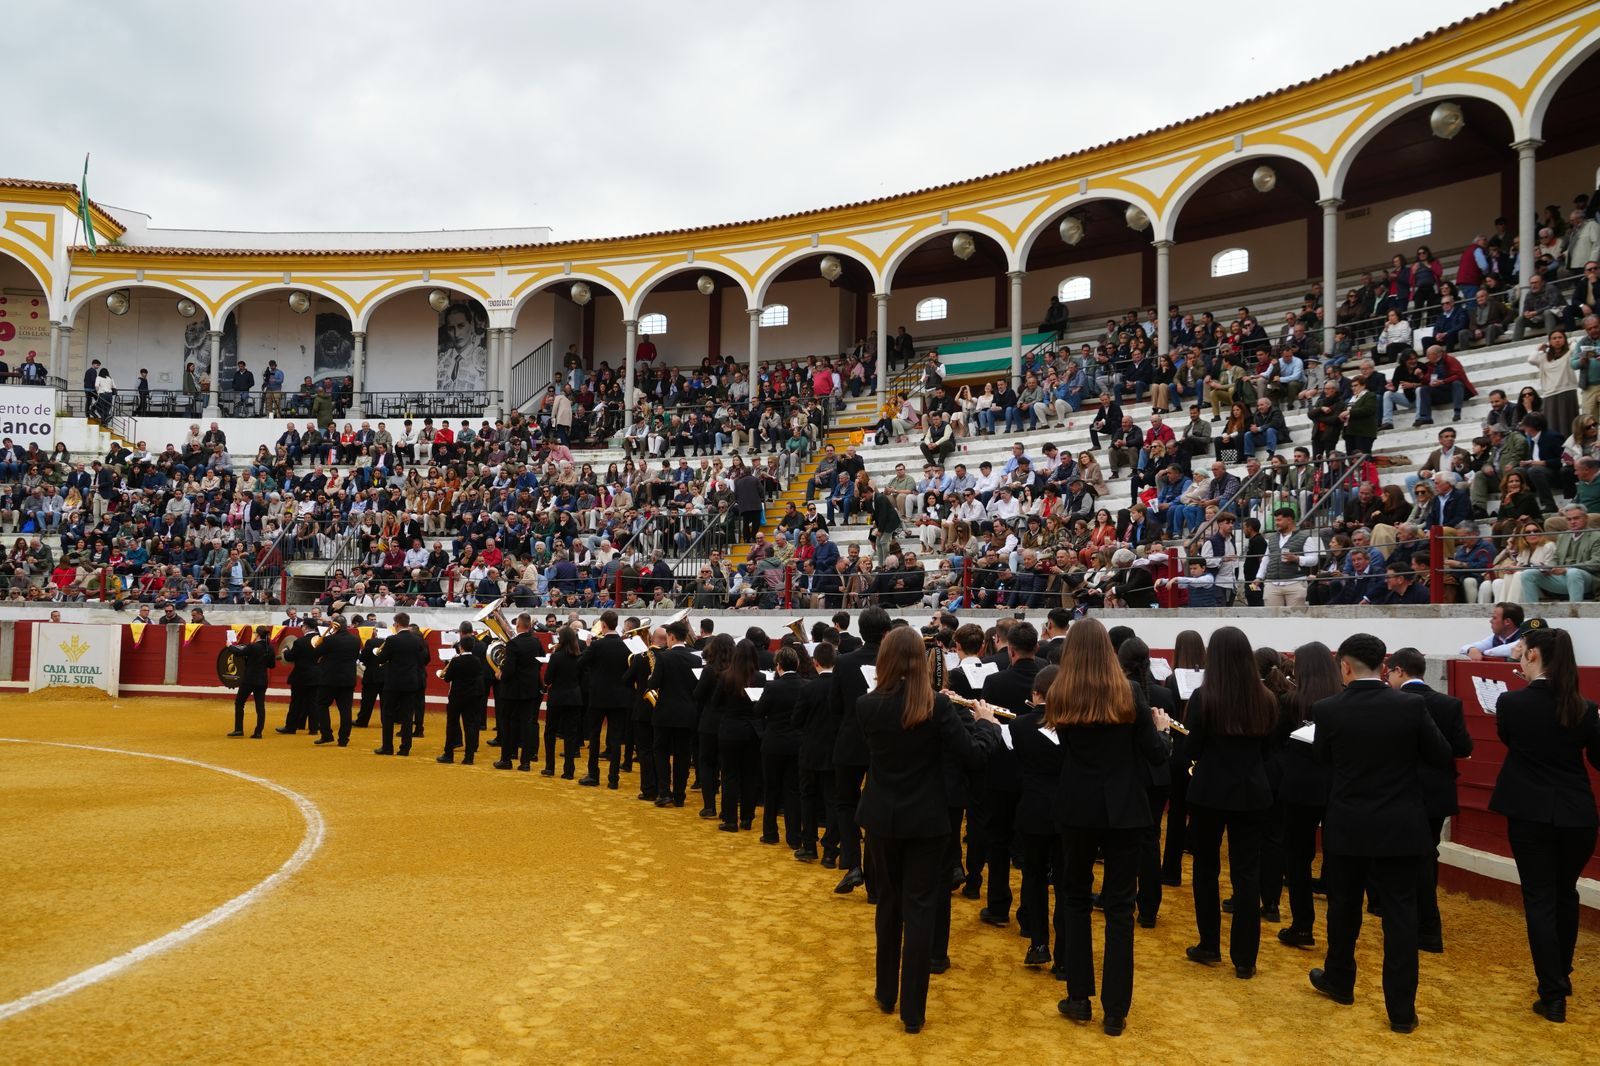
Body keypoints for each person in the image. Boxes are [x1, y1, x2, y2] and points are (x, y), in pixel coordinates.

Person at [855, 626, 1001, 1035]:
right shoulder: (936, 706)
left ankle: (886, 992)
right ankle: (912, 1011)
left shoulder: (867, 704)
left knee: (888, 904)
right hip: (926, 820)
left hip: (882, 817)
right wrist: (986, 724)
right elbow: (973, 757)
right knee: (919, 910)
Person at [1309, 633, 1452, 1034]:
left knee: (1343, 907)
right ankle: (1401, 1011)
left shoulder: (1327, 709)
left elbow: (1321, 759)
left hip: (1348, 824)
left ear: (1345, 667)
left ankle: (1340, 981)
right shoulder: (1411, 705)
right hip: (1399, 825)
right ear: (1384, 666)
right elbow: (1441, 755)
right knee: (1401, 915)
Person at [1050, 619, 1171, 1037]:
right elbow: (1156, 755)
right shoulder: (1131, 692)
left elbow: (1066, 750)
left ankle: (1079, 997)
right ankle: (1115, 1011)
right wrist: (1162, 733)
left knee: (1075, 898)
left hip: (1077, 806)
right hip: (1125, 809)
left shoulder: (1061, 693)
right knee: (1120, 907)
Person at [1491, 625, 1600, 1024]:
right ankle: (1560, 976)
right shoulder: (1584, 707)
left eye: (1522, 651)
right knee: (1564, 894)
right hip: (1577, 814)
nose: (1519, 657)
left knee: (1539, 899)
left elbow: (1511, 741)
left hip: (1530, 813)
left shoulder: (1511, 702)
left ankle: (1553, 992)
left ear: (1534, 655)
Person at [1183, 626, 1277, 979]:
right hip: (1252, 791)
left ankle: (1209, 944)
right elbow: (1267, 751)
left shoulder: (1204, 697)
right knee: (1247, 872)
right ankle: (1245, 958)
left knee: (1206, 868)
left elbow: (1191, 748)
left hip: (1209, 790)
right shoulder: (1266, 698)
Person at [1386, 646, 1474, 954]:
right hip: (1436, 792)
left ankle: (1419, 925)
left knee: (1402, 858)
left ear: (1399, 671)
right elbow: (1463, 748)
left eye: (1389, 672)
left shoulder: (1392, 703)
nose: (1388, 679)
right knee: (1427, 854)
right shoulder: (1449, 704)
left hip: (1400, 791)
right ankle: (1426, 926)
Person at [1275, 642, 1338, 948]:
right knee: (1337, 858)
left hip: (1299, 788)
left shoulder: (1289, 701)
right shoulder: (1342, 701)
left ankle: (1302, 926)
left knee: (1298, 858)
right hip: (1337, 787)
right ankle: (1338, 929)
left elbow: (1275, 745)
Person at [831, 606, 891, 896]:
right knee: (879, 806)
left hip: (850, 739)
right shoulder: (894, 661)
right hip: (885, 743)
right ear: (887, 632)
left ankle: (853, 863)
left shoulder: (843, 662)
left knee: (845, 803)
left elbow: (834, 706)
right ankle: (877, 880)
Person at [648, 618, 700, 807]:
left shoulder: (663, 657)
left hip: (665, 712)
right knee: (683, 755)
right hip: (687, 713)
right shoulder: (696, 658)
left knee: (661, 752)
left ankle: (664, 792)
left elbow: (653, 684)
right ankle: (679, 795)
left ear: (670, 637)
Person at [796, 640, 839, 863]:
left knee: (808, 798)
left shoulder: (808, 688)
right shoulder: (841, 687)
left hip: (811, 750)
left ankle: (809, 845)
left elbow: (797, 720)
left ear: (815, 663)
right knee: (832, 801)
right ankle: (830, 851)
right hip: (834, 751)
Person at [578, 611, 632, 788]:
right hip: (620, 698)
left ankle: (593, 775)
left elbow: (580, 664)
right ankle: (613, 779)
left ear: (603, 625)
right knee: (616, 739)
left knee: (594, 736)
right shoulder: (626, 646)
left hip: (599, 697)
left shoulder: (596, 646)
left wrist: (588, 647)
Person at [759, 646, 806, 847]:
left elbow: (759, 711)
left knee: (771, 789)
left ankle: (770, 833)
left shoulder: (772, 687)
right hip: (797, 744)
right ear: (797, 664)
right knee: (793, 790)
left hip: (774, 743)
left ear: (778, 666)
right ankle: (794, 837)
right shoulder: (806, 685)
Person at [373, 613, 429, 756]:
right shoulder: (417, 640)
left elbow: (381, 659)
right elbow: (423, 659)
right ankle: (405, 748)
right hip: (411, 681)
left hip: (394, 682)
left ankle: (387, 747)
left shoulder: (392, 640)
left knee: (388, 714)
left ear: (397, 624)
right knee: (407, 715)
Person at [493, 613, 542, 771]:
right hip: (530, 690)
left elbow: (509, 670)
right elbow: (541, 660)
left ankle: (506, 759)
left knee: (507, 724)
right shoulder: (536, 642)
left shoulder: (513, 644)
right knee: (526, 725)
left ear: (518, 625)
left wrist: (500, 674)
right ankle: (525, 762)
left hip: (512, 691)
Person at [437, 631, 488, 765]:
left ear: (460, 647)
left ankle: (448, 754)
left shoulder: (456, 661)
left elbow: (447, 678)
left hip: (456, 697)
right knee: (470, 726)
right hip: (472, 697)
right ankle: (469, 757)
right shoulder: (477, 661)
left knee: (452, 725)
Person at [310, 615, 361, 747]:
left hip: (329, 678)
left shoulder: (329, 639)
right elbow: (356, 656)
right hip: (348, 678)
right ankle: (343, 739)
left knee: (322, 705)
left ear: (335, 626)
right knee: (345, 709)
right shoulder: (355, 640)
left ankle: (326, 735)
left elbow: (316, 653)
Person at [542, 627, 585, 778]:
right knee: (570, 735)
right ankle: (569, 770)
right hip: (574, 698)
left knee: (550, 732)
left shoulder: (556, 656)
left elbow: (548, 679)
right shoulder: (580, 657)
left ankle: (550, 767)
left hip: (557, 698)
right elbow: (583, 679)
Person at [229, 626, 275, 738]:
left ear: (257, 634)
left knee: (239, 703)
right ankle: (258, 732)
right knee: (260, 706)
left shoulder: (253, 646)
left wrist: (229, 646)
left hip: (249, 680)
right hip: (262, 680)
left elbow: (238, 653)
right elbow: (271, 665)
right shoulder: (270, 648)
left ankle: (239, 729)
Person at [275, 629, 320, 735]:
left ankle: (291, 727)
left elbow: (290, 657)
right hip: (317, 676)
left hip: (301, 677)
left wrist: (285, 651)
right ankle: (313, 729)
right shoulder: (321, 640)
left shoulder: (300, 641)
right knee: (313, 703)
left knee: (296, 703)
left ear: (305, 627)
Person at [354, 622, 388, 727]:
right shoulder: (392, 642)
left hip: (372, 676)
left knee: (367, 700)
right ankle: (386, 722)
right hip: (387, 676)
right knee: (386, 702)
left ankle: (362, 721)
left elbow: (363, 657)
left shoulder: (371, 642)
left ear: (376, 630)